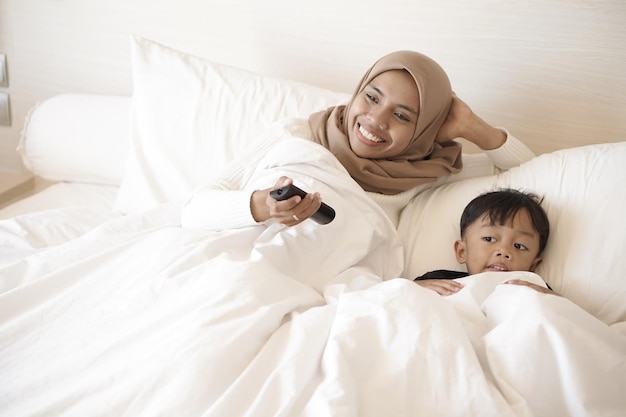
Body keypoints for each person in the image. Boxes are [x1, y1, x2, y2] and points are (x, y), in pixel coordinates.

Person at [181, 51, 535, 230]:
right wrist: (261, 206)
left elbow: (530, 171)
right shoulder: (297, 133)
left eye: (402, 116)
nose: (375, 121)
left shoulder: (427, 172)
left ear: (424, 130)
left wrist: (471, 126)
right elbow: (193, 211)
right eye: (372, 97)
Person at [414, 188, 557, 296]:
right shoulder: (441, 280)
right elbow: (399, 296)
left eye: (519, 246)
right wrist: (416, 287)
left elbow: (565, 316)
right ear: (462, 252)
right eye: (489, 239)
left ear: (532, 266)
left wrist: (552, 298)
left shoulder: (535, 289)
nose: (504, 251)